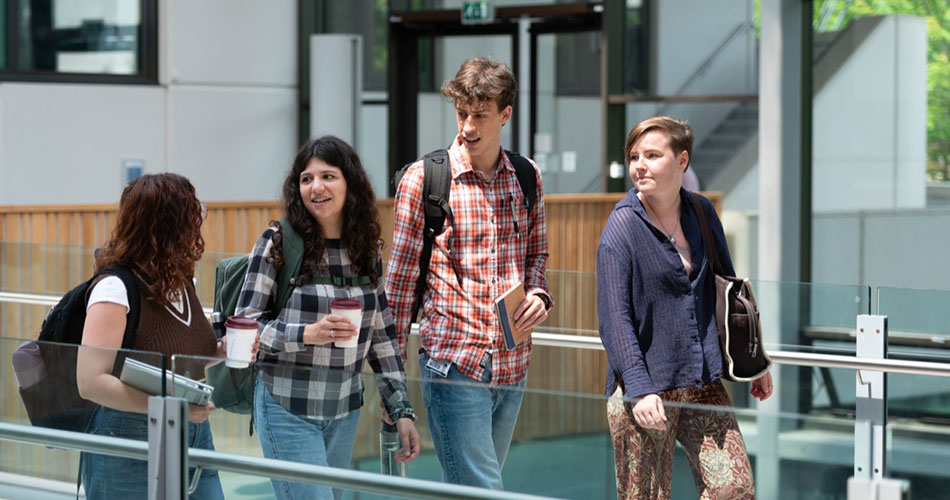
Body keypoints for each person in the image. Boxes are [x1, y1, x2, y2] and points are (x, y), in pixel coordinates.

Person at [387, 56, 554, 489]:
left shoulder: (526, 177)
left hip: (513, 364)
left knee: (468, 489)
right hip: (453, 366)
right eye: (462, 113)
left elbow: (537, 256)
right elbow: (400, 288)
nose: (468, 127)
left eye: (480, 115)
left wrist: (539, 296)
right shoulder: (424, 180)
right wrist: (393, 386)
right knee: (483, 491)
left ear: (505, 114)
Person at [596, 116, 773, 500]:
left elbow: (730, 289)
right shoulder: (621, 228)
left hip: (703, 382)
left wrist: (754, 359)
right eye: (634, 156)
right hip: (646, 391)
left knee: (734, 490)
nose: (639, 164)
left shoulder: (702, 212)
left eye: (653, 155)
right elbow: (614, 320)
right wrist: (640, 392)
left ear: (682, 161)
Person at [236, 135, 421, 500]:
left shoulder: (364, 249)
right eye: (307, 179)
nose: (316, 187)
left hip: (343, 410)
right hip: (286, 405)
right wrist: (307, 334)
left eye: (328, 176)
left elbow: (381, 337)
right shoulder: (279, 242)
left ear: (349, 183)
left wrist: (401, 407)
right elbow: (245, 328)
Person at [77, 173, 227, 499]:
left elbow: (183, 358)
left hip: (192, 429)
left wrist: (222, 352)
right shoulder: (115, 289)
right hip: (127, 435)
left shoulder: (182, 278)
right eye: (194, 209)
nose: (201, 217)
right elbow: (90, 382)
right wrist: (170, 407)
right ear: (170, 223)